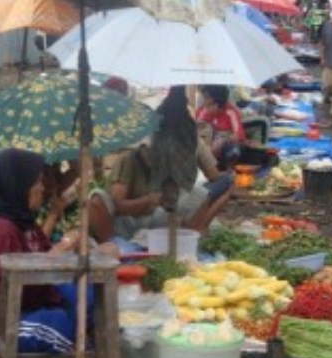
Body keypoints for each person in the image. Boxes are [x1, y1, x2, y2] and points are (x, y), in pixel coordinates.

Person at [0, 149, 82, 358]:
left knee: (84, 298)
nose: (42, 188)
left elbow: (50, 252)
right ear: (16, 186)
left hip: (26, 314)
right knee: (60, 327)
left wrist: (69, 244)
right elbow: (8, 295)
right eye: (36, 182)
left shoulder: (26, 225)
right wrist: (53, 257)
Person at [89, 90, 233, 247]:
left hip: (162, 220)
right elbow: (118, 205)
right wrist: (149, 200)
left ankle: (195, 236)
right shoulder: (131, 160)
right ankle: (113, 246)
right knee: (97, 197)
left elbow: (212, 179)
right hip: (130, 223)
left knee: (203, 192)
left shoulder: (188, 143)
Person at [196, 85, 246, 170]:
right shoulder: (202, 111)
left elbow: (239, 134)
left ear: (217, 103)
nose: (204, 102)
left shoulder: (230, 111)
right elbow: (197, 129)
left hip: (224, 150)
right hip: (205, 149)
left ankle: (228, 172)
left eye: (207, 98)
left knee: (234, 150)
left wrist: (223, 140)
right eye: (204, 98)